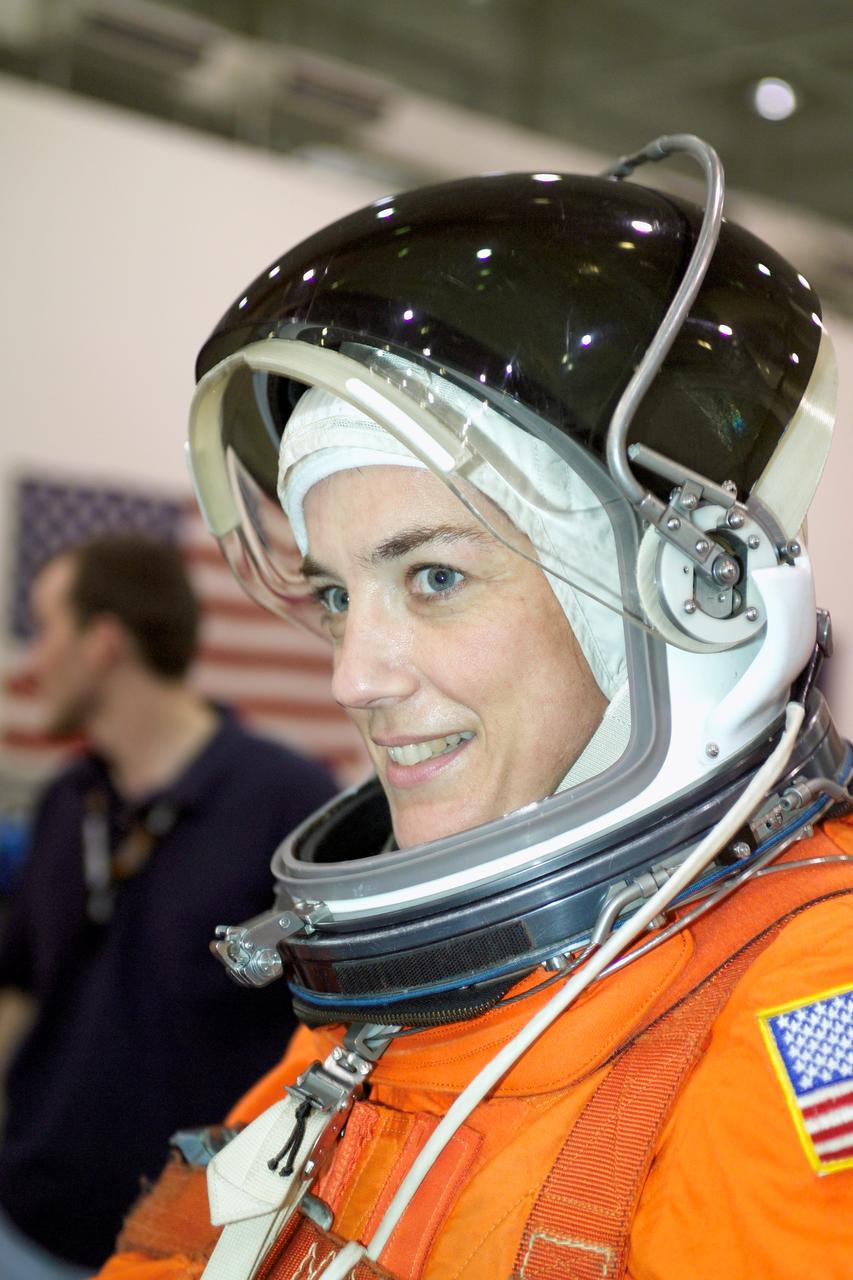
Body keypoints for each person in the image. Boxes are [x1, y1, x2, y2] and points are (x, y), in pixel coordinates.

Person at [98, 136, 852, 1280]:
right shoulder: (400, 988)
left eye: (434, 576)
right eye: (340, 594)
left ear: (674, 610)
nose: (353, 675)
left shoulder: (808, 993)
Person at [0, 533, 338, 1278]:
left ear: (103, 643)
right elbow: (21, 984)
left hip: (188, 1253)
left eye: (44, 627)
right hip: (24, 1220)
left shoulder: (291, 808)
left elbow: (339, 1045)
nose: (29, 663)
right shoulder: (67, 798)